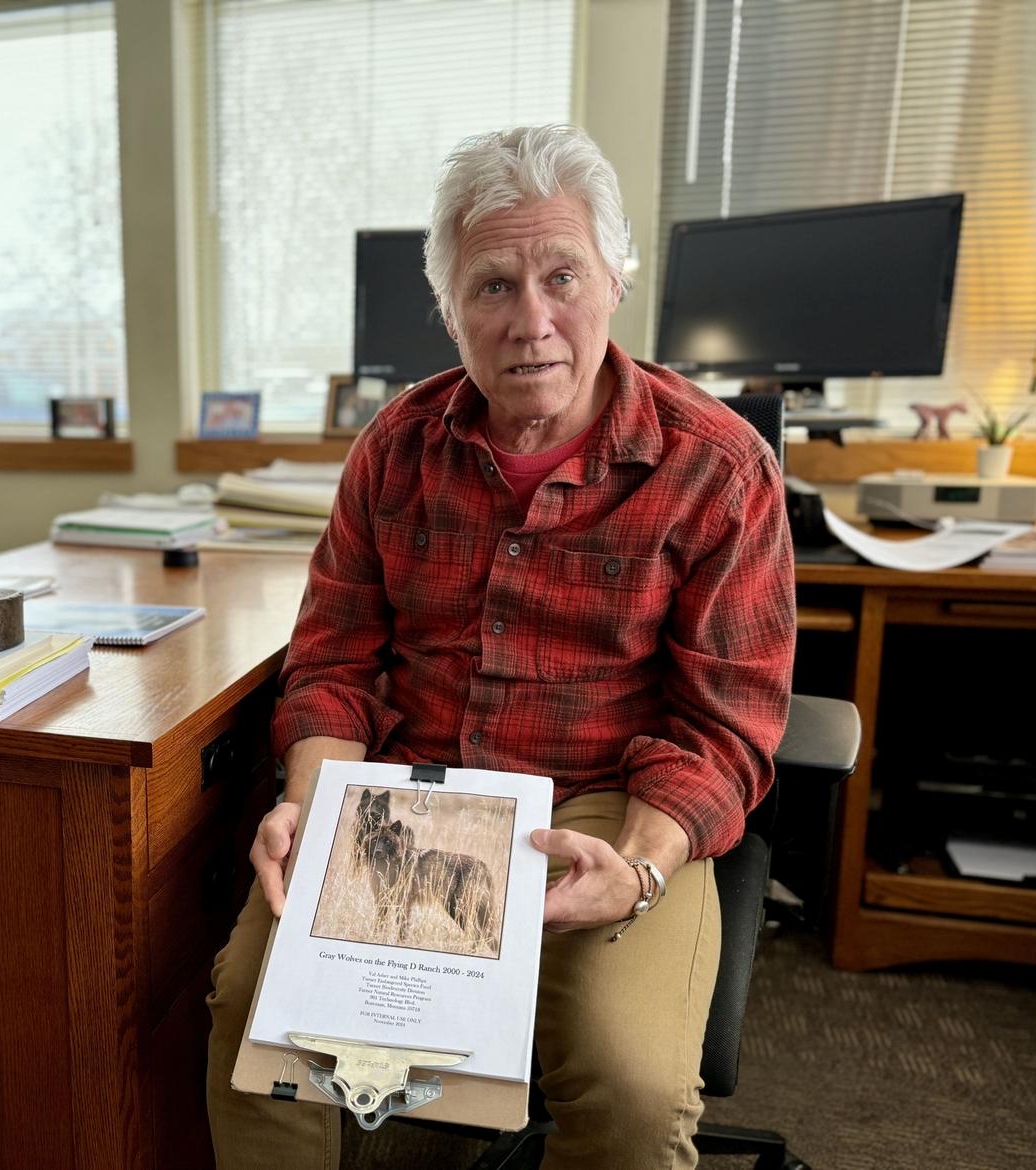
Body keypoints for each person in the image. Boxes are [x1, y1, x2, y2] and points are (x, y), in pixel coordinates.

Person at [204, 124, 795, 1170]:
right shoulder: (394, 447)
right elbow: (335, 666)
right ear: (449, 310)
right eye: (492, 287)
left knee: (627, 1077)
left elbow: (726, 726)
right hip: (415, 796)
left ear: (614, 278)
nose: (532, 321)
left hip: (612, 797)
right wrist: (309, 803)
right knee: (258, 1008)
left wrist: (645, 873)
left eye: (562, 275)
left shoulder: (720, 467)